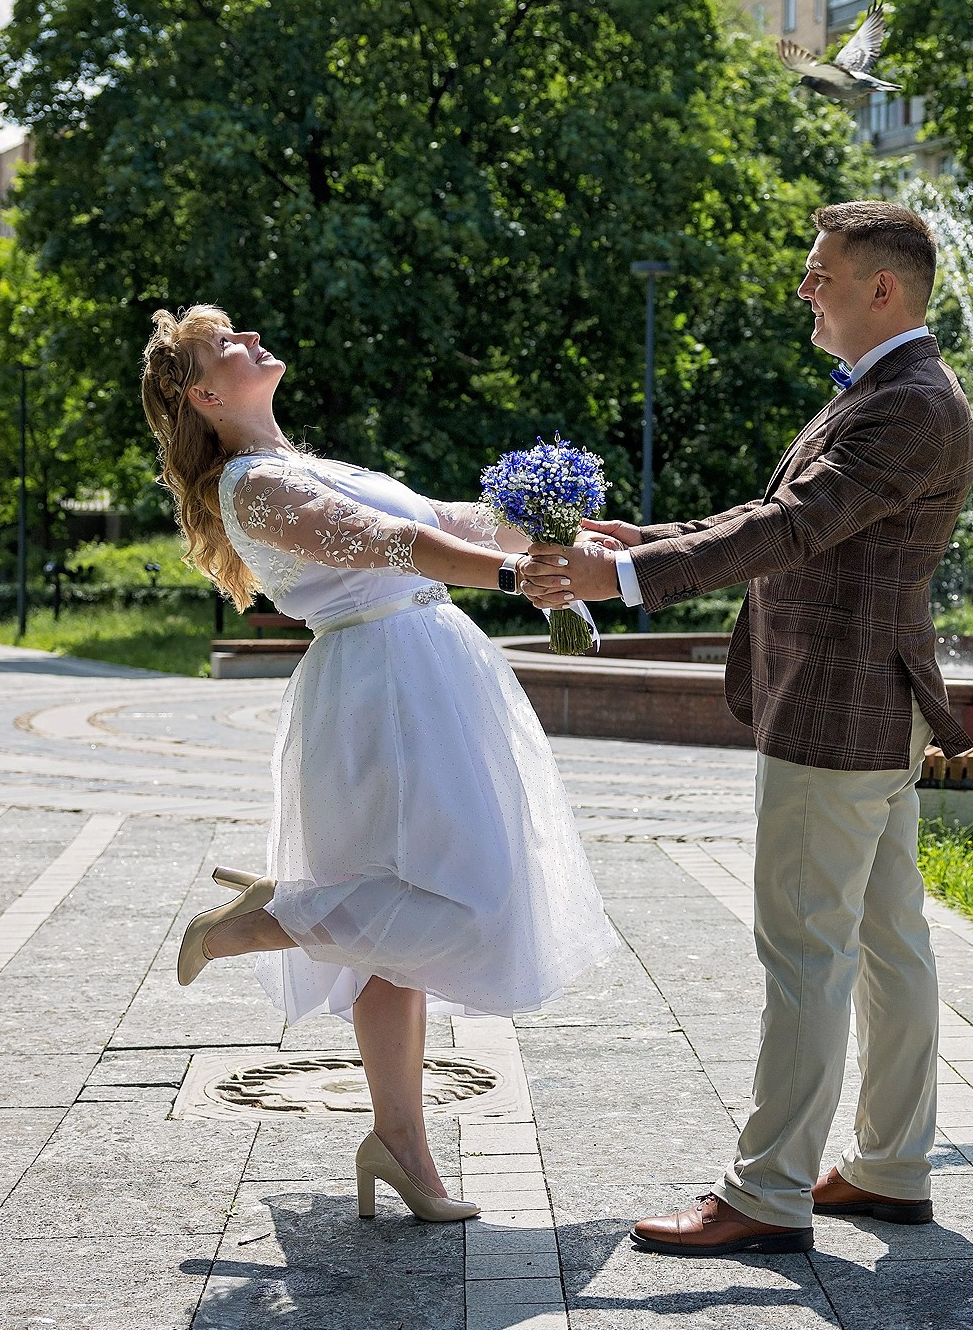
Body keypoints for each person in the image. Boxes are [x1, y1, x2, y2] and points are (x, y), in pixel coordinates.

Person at [522, 201, 973, 1255]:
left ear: (883, 289)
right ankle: (890, 1163)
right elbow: (785, 519)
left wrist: (625, 575)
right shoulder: (891, 393)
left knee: (806, 953)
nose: (803, 288)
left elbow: (795, 525)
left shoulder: (906, 402)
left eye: (821, 273)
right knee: (883, 942)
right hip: (863, 703)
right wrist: (652, 539)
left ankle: (768, 1192)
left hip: (837, 710)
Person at [140, 304, 618, 1226]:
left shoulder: (310, 463)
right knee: (464, 900)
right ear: (204, 393)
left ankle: (401, 1146)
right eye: (224, 344)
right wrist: (520, 576)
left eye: (239, 328)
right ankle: (266, 918)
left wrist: (581, 532)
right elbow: (402, 547)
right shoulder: (255, 484)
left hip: (428, 670)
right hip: (381, 690)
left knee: (395, 940)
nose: (249, 338)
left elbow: (449, 517)